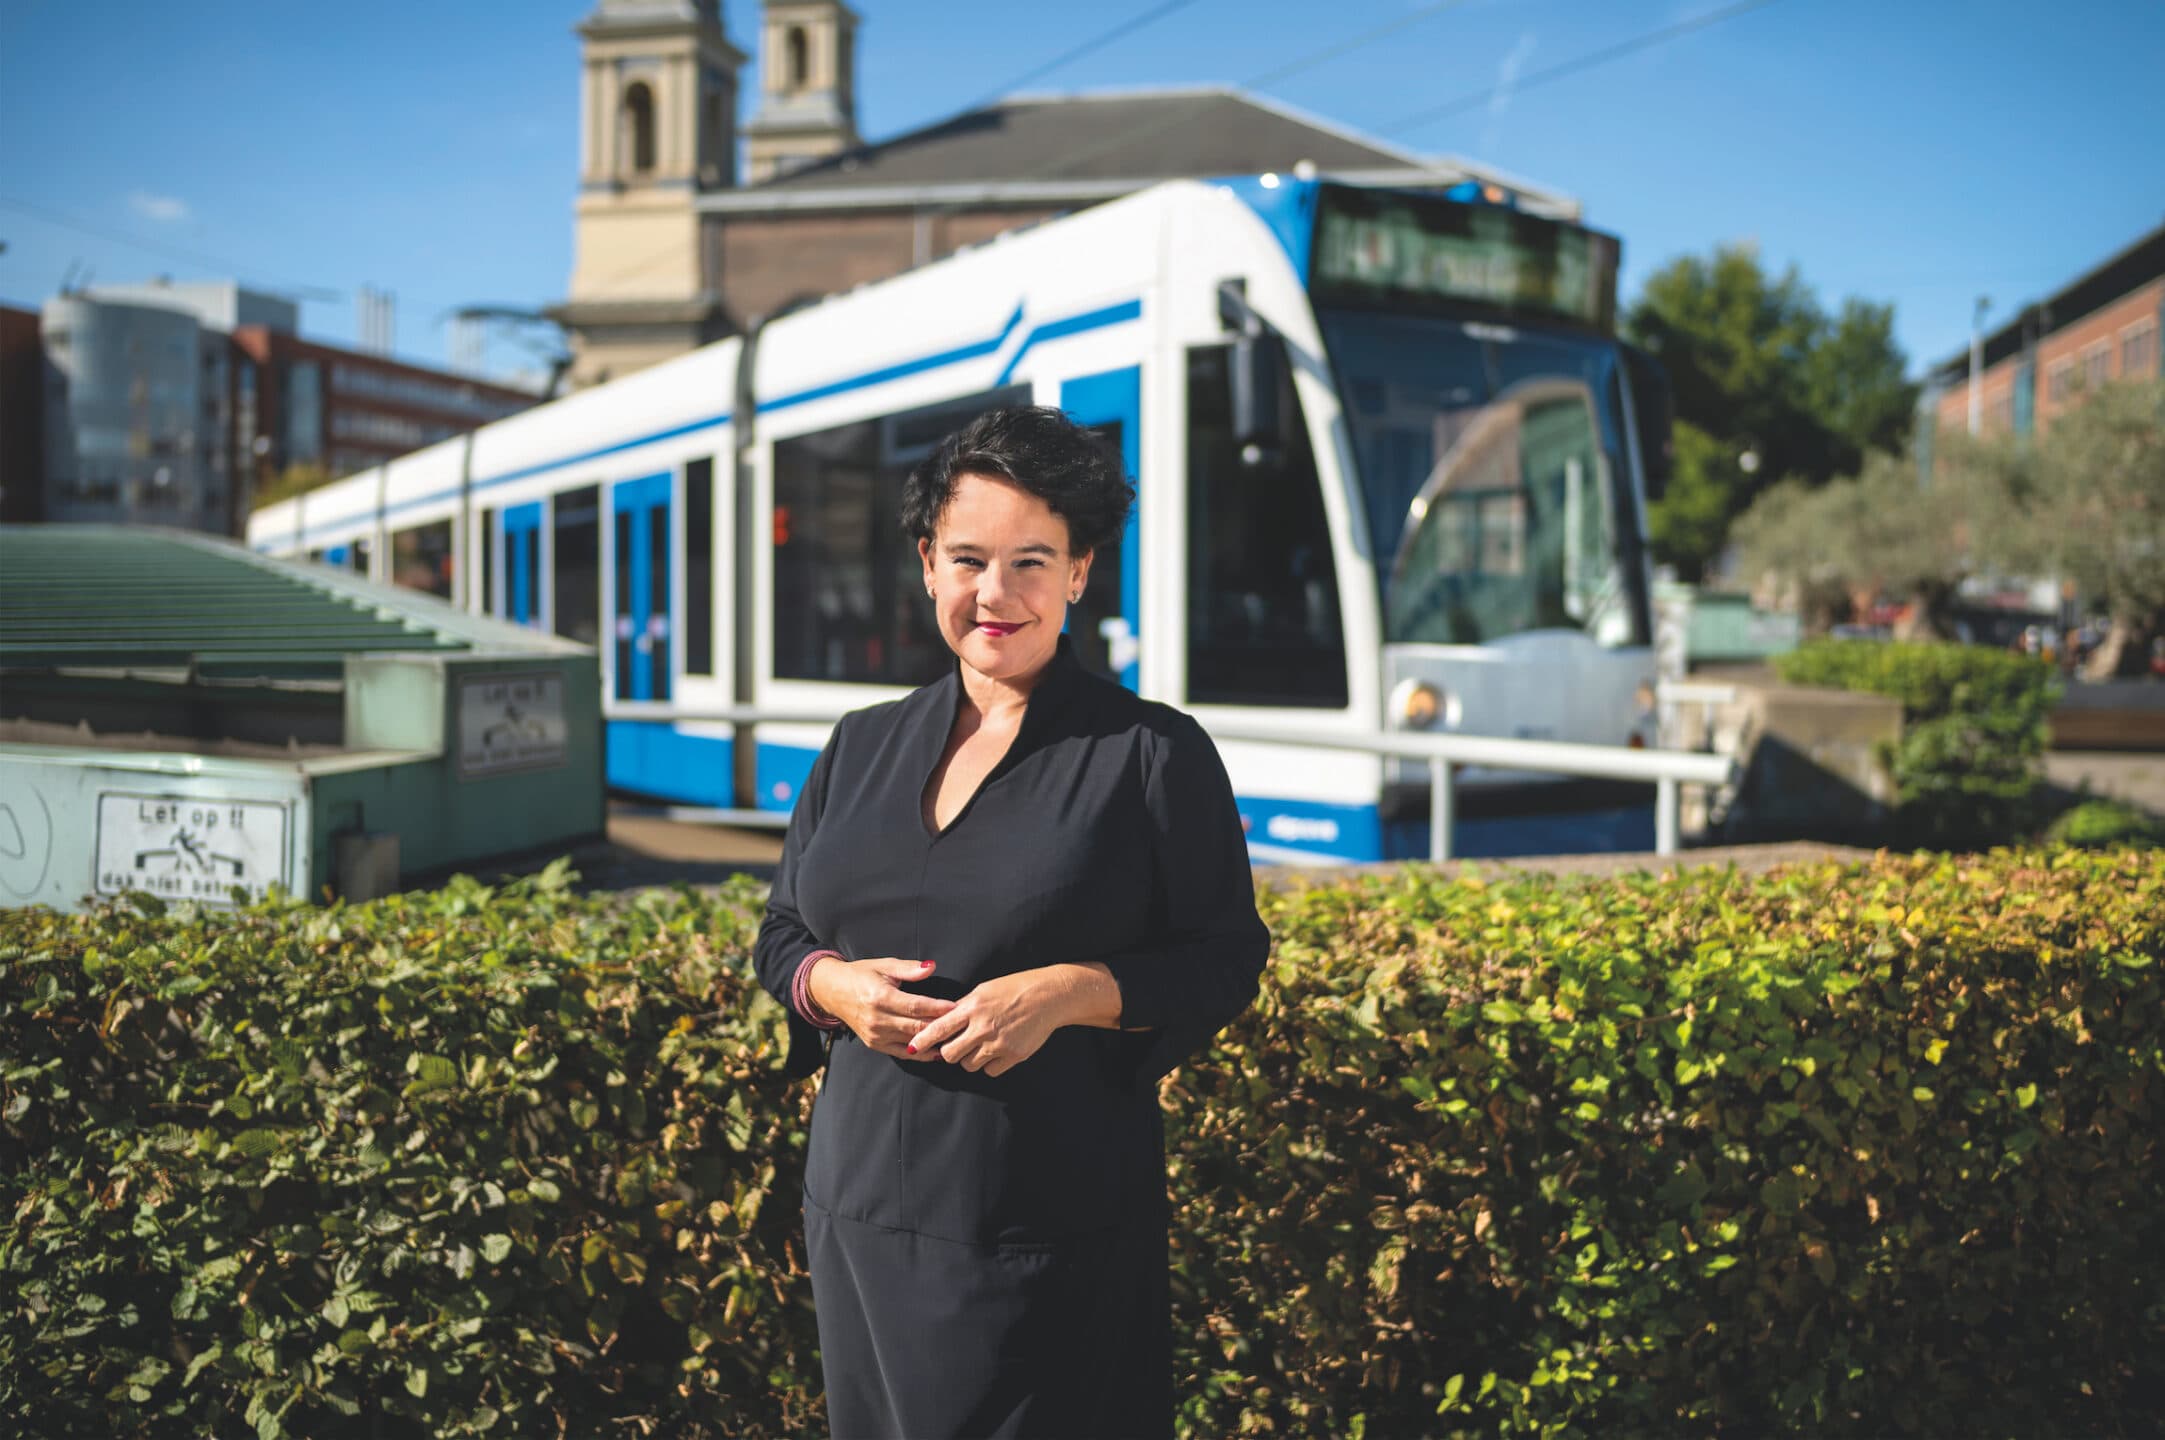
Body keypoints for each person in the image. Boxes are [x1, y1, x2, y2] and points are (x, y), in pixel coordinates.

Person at [753, 405, 1270, 1439]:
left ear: (1078, 572)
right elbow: (780, 933)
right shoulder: (857, 745)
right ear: (926, 565)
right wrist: (829, 987)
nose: (995, 593)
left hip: (1047, 1223)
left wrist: (1071, 992)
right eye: (967, 559)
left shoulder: (1149, 754)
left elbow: (1225, 958)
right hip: (857, 1206)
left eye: (1031, 561)